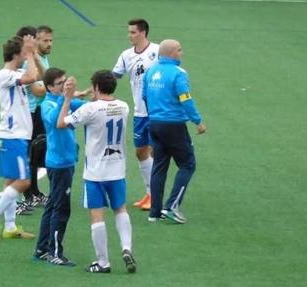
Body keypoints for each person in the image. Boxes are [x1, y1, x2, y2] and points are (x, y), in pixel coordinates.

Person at [57, 70, 136, 274]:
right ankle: (127, 248)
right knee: (121, 210)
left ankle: (103, 262)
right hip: (117, 170)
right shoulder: (124, 106)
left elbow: (61, 123)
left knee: (97, 217)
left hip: (95, 173)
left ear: (97, 87)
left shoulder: (90, 109)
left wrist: (67, 99)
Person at [0, 35, 42, 241]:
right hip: (12, 135)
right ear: (17, 54)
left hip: (18, 135)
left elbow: (40, 75)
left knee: (11, 181)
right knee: (23, 181)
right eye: (24, 53)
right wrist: (31, 53)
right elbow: (32, 77)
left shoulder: (16, 72)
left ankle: (9, 227)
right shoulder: (4, 74)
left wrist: (33, 56)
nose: (26, 56)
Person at [142, 39, 206, 224]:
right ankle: (171, 207)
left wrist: (154, 114)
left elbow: (144, 96)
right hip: (174, 126)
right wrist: (197, 121)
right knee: (188, 164)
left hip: (154, 124)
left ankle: (154, 213)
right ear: (170, 53)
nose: (181, 53)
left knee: (159, 167)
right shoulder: (179, 73)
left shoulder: (151, 71)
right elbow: (185, 98)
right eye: (179, 50)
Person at [33, 68, 86, 266]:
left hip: (63, 161)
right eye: (60, 83)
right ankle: (54, 252)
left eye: (65, 81)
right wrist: (66, 98)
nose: (64, 86)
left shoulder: (62, 101)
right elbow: (57, 122)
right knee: (61, 209)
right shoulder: (47, 104)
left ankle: (42, 248)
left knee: (52, 205)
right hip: (60, 163)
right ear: (49, 87)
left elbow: (83, 106)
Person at [112, 18, 159, 210]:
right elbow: (113, 76)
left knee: (157, 151)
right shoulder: (126, 55)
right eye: (129, 32)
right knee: (141, 152)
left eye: (133, 32)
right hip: (140, 112)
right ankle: (150, 193)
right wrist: (95, 89)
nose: (129, 35)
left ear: (143, 33)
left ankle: (156, 195)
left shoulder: (157, 51)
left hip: (157, 111)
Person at [15, 25, 53, 215]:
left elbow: (46, 82)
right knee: (29, 153)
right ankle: (26, 195)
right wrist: (56, 88)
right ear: (35, 41)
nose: (49, 44)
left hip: (37, 111)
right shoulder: (27, 63)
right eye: (45, 40)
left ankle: (34, 193)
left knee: (36, 152)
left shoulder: (41, 58)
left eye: (50, 40)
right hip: (27, 113)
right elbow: (38, 89)